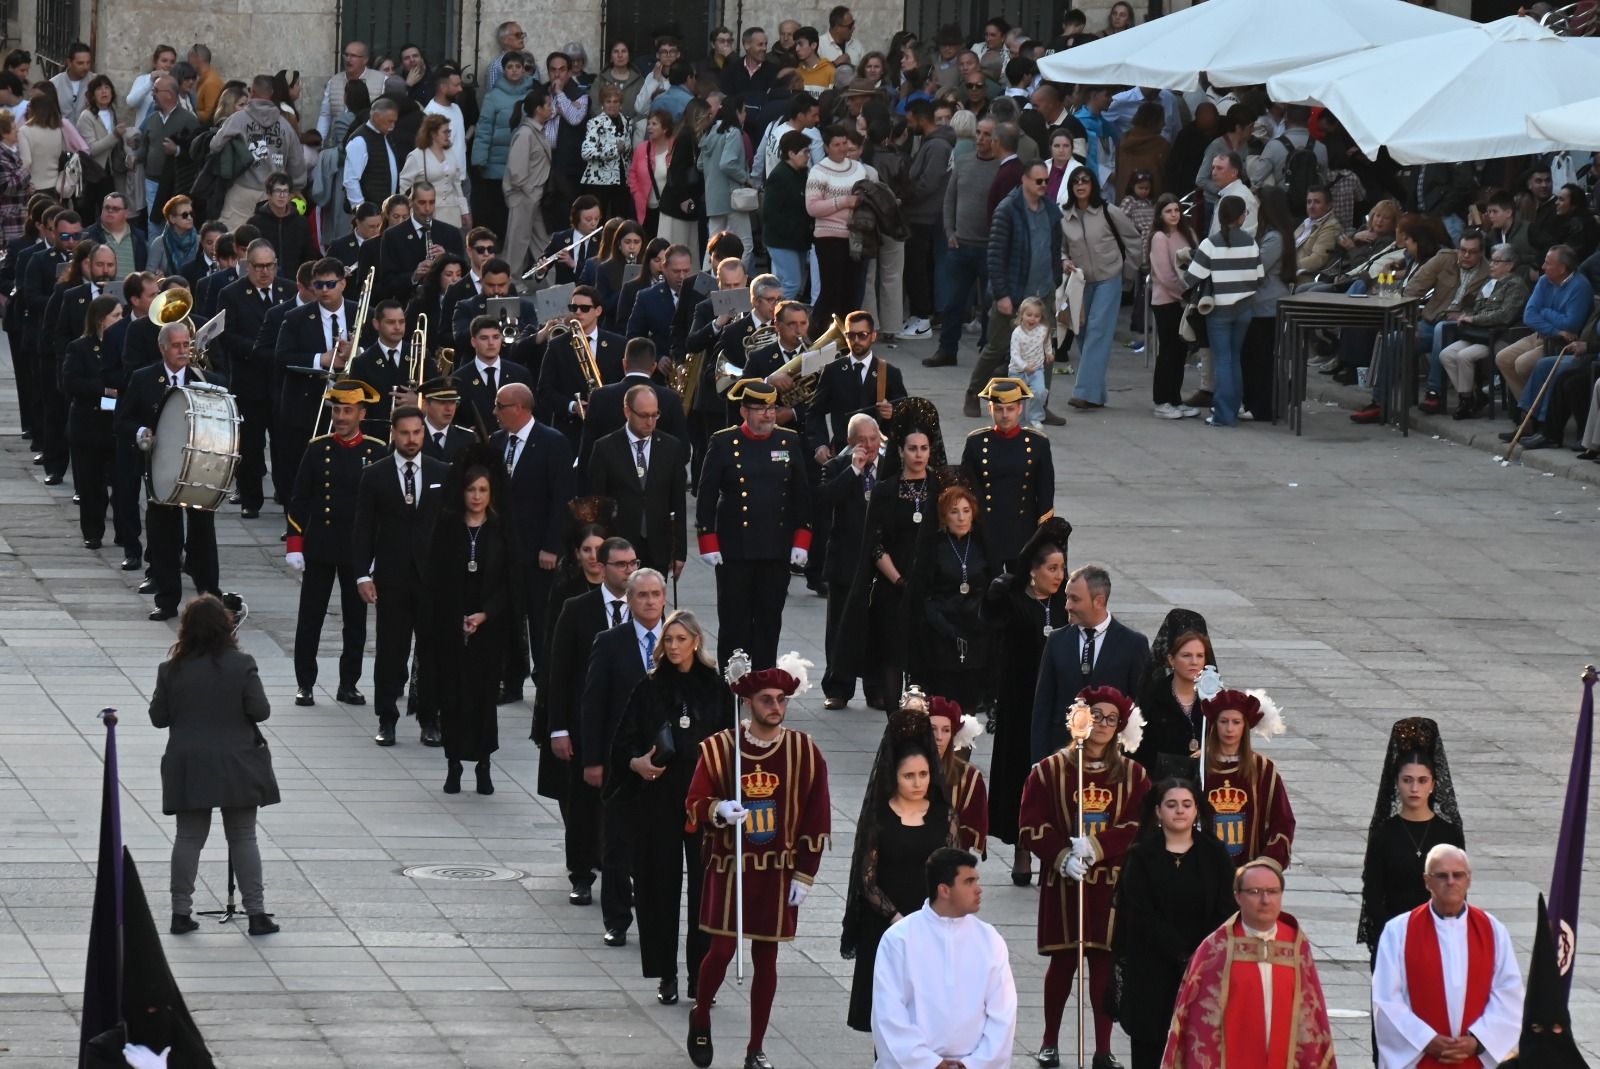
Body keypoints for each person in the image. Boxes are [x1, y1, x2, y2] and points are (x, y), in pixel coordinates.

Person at [685, 657, 831, 1069]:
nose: (775, 707)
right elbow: (694, 802)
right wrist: (718, 809)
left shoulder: (805, 752)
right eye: (766, 699)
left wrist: (807, 871)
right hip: (731, 867)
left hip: (778, 869)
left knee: (767, 958)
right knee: (722, 950)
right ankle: (701, 1015)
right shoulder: (721, 749)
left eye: (781, 700)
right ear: (748, 702)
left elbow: (817, 816)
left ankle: (755, 1048)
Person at [606, 609, 733, 1004]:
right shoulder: (649, 686)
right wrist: (636, 764)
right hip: (657, 800)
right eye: (669, 640)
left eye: (681, 639)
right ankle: (666, 973)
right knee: (658, 885)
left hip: (703, 804)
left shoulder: (715, 687)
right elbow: (623, 741)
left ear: (696, 641)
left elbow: (731, 747)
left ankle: (700, 974)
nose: (674, 647)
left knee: (704, 889)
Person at [1020, 685, 1150, 1069]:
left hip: (1110, 885)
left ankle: (1102, 1048)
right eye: (1095, 716)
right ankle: (1048, 1042)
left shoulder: (1134, 774)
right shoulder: (1048, 770)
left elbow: (1139, 824)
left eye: (1111, 719)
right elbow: (1030, 824)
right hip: (1065, 884)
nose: (1102, 725)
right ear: (1080, 718)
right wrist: (1060, 856)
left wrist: (1098, 847)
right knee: (1062, 964)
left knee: (1104, 967)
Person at [150, 594, 281, 937]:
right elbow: (260, 711)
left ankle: (181, 912)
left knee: (188, 838)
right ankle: (256, 913)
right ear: (226, 627)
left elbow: (158, 718)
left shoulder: (170, 670)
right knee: (243, 836)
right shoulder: (242, 664)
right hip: (237, 762)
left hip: (189, 763)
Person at [841, 708, 960, 1032]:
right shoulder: (879, 817)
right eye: (909, 776)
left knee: (928, 1021)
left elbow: (953, 872)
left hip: (932, 928)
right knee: (888, 1022)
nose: (918, 782)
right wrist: (898, 921)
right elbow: (867, 880)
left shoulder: (943, 816)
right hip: (886, 929)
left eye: (923, 774)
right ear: (894, 775)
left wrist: (933, 919)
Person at [1162, 858, 1337, 1068]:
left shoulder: (1296, 945)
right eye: (1255, 892)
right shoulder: (1216, 950)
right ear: (1237, 896)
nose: (1265, 900)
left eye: (1273, 891)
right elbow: (1197, 1022)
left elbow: (1312, 1016)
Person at [419, 444, 523, 796]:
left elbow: (509, 582)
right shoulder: (448, 527)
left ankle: (482, 764)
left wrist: (485, 614)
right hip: (452, 624)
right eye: (471, 490)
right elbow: (437, 578)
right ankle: (453, 765)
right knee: (453, 697)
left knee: (482, 699)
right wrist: (457, 615)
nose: (476, 496)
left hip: (489, 627)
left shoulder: (500, 529)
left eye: (482, 490)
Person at [1112, 778, 1236, 1069]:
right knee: (1150, 1049)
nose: (1179, 811)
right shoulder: (1142, 855)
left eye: (1186, 804)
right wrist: (1179, 952)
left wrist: (1200, 953)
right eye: (1171, 805)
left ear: (1196, 811)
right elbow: (1140, 912)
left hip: (1204, 969)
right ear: (1158, 811)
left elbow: (1226, 908)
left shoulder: (1214, 853)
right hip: (1152, 968)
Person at [832, 402, 947, 709]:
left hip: (932, 585)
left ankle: (923, 714)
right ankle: (895, 717)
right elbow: (875, 541)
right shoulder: (886, 490)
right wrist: (898, 578)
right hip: (892, 584)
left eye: (924, 448)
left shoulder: (942, 487)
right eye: (912, 448)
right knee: (892, 655)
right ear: (900, 451)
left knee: (924, 656)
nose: (919, 454)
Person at [283, 378, 388, 708]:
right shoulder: (318, 449)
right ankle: (305, 683)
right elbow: (299, 499)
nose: (340, 417)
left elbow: (382, 508)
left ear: (361, 413)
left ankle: (349, 683)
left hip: (357, 550)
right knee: (310, 617)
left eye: (347, 411)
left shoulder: (376, 450)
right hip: (321, 545)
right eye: (336, 410)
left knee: (355, 621)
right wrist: (295, 545)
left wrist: (376, 554)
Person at [1372, 845, 1524, 1069]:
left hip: (1474, 1059)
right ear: (1427, 881)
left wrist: (1478, 1041)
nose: (1451, 882)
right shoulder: (1398, 931)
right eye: (1441, 875)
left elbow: (1509, 994)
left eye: (1458, 875)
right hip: (1421, 1058)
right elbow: (1386, 1000)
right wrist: (1426, 1040)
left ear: (1469, 879)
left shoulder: (1493, 930)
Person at [351, 405, 450, 747]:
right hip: (391, 578)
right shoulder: (375, 475)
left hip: (432, 580)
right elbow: (362, 528)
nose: (412, 439)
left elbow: (450, 527)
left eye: (417, 433)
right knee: (390, 650)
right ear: (394, 433)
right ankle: (387, 717)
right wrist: (363, 574)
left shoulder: (441, 471)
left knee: (432, 650)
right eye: (405, 433)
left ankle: (429, 717)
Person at [696, 378, 811, 669]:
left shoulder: (788, 441)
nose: (768, 415)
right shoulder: (723, 442)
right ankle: (732, 681)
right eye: (761, 409)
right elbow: (706, 494)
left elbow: (802, 494)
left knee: (769, 619)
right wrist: (707, 539)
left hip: (776, 547)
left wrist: (802, 538)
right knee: (734, 620)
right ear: (744, 411)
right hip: (736, 549)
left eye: (771, 408)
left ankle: (763, 679)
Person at [981, 517, 1070, 883]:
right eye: (1052, 568)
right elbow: (988, 629)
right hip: (1020, 703)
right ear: (1033, 572)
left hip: (1058, 704)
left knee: (1057, 777)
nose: (1059, 575)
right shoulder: (1013, 601)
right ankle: (1021, 847)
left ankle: (1053, 850)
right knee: (1021, 774)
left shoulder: (1066, 604)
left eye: (1062, 568)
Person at [871, 846, 1018, 1069]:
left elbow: (1003, 1013)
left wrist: (974, 1064)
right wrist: (930, 1064)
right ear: (944, 890)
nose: (978, 890)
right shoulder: (898, 940)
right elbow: (888, 1015)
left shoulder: (990, 940)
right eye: (969, 882)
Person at [114, 321, 220, 620]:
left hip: (198, 470)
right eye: (177, 346)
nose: (183, 350)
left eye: (187, 344)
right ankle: (167, 599)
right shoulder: (143, 378)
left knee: (203, 535)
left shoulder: (205, 379)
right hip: (160, 468)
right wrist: (141, 433)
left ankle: (209, 595)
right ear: (163, 348)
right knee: (163, 536)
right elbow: (122, 420)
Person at [489, 381, 574, 701]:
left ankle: (546, 681)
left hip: (539, 552)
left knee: (541, 620)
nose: (495, 412)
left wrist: (552, 546)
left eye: (501, 406)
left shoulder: (552, 442)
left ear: (521, 408)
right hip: (503, 551)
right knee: (508, 618)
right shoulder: (496, 442)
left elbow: (561, 500)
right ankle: (510, 682)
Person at [1031, 564, 1150, 763]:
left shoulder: (1133, 644)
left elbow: (1139, 708)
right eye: (1067, 597)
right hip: (1062, 758)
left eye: (1075, 599)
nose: (1067, 605)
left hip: (1112, 760)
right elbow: (1042, 706)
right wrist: (1038, 761)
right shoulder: (1056, 641)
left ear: (1099, 601)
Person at [817, 412, 885, 710]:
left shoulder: (891, 468)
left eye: (873, 439)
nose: (868, 446)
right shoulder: (836, 467)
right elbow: (824, 501)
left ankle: (876, 688)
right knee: (840, 627)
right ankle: (838, 687)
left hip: (881, 562)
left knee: (876, 626)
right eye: (862, 440)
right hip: (845, 559)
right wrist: (853, 472)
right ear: (850, 442)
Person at [587, 381, 689, 577]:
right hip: (619, 548)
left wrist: (680, 552)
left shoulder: (671, 447)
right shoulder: (605, 448)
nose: (650, 422)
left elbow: (678, 503)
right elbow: (597, 504)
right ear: (627, 411)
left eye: (655, 415)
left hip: (658, 547)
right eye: (643, 415)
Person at [1183, 194, 1263, 427]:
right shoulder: (1251, 243)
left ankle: (1223, 414)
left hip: (1218, 310)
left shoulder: (1210, 244)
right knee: (1235, 358)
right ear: (1242, 217)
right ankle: (1234, 407)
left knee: (1223, 360)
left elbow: (1191, 278)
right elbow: (1259, 278)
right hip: (1245, 308)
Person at [961, 377, 1056, 570]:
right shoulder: (976, 443)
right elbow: (967, 490)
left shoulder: (1038, 444)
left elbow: (1045, 493)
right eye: (999, 409)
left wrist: (1042, 536)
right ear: (990, 409)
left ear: (1020, 409)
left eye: (1010, 409)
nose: (1005, 415)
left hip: (1023, 533)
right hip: (987, 531)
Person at [1199, 688, 1294, 867]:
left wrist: (1269, 861)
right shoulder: (1197, 765)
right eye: (1224, 721)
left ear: (1245, 725)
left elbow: (1283, 820)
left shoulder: (1264, 769)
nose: (1229, 729)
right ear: (1214, 724)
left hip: (1250, 867)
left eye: (1236, 722)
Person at [62, 295, 125, 550]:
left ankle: (124, 533)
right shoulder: (79, 347)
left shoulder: (124, 345)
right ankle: (93, 531)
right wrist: (106, 389)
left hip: (116, 425)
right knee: (91, 485)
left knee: (123, 485)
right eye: (116, 316)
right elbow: (70, 383)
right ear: (101, 320)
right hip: (88, 425)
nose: (121, 321)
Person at [806, 124, 870, 330]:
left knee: (851, 290)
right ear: (826, 147)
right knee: (831, 289)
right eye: (836, 145)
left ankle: (847, 335)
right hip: (828, 239)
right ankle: (819, 332)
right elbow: (813, 207)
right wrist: (843, 202)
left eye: (844, 144)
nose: (842, 148)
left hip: (855, 237)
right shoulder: (818, 172)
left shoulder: (858, 168)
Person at [926, 695, 987, 856]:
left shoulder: (970, 778)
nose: (939, 737)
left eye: (946, 730)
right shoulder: (904, 771)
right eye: (933, 729)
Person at [400, 115, 469, 229]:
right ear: (433, 133)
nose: (448, 135)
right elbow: (402, 185)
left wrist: (464, 210)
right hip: (428, 213)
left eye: (449, 131)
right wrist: (403, 210)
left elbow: (456, 184)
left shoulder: (450, 153)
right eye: (445, 132)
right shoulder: (417, 156)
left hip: (452, 213)